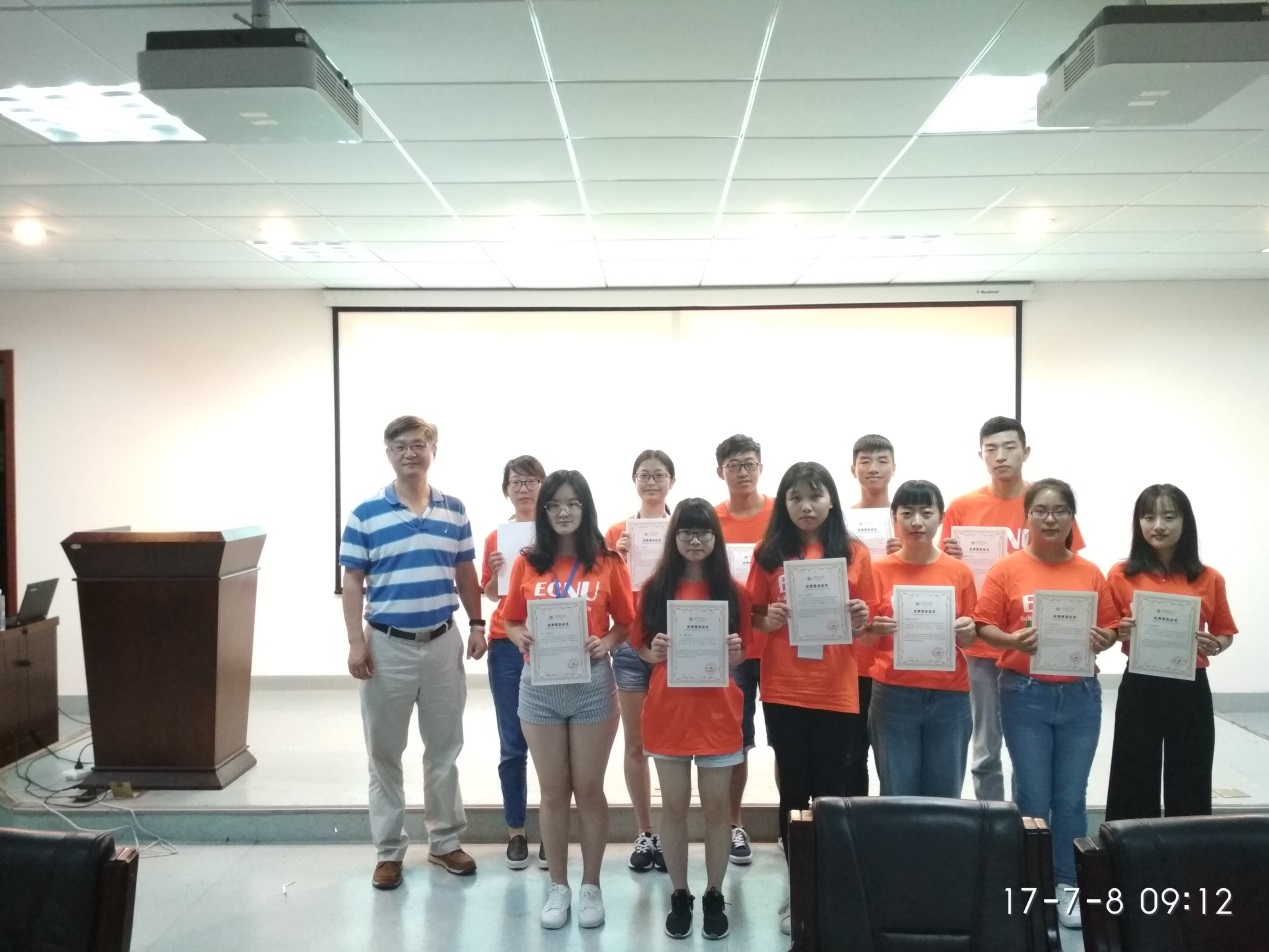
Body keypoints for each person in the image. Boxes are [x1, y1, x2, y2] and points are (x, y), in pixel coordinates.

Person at [339, 415, 487, 891]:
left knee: (444, 748)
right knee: (384, 753)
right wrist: (356, 641)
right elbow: (352, 581)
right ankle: (388, 851)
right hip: (386, 646)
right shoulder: (365, 514)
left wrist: (478, 623)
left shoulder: (454, 510)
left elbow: (466, 573)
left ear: (432, 451)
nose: (410, 453)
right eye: (400, 446)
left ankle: (444, 842)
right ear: (388, 454)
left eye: (418, 444)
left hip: (443, 642)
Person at [973, 478, 1118, 931]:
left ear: (1072, 518)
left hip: (1080, 697)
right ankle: (1033, 881)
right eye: (1040, 511)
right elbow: (982, 624)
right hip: (1025, 693)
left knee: (1071, 797)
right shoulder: (1007, 569)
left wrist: (1105, 637)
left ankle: (1068, 882)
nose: (1050, 519)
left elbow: (1112, 627)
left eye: (1060, 511)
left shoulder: (1090, 572)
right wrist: (1012, 640)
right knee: (1032, 795)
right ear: (1027, 518)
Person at [503, 470, 634, 930]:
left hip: (592, 686)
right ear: (544, 511)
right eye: (554, 504)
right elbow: (510, 620)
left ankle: (591, 884)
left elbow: (626, 622)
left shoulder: (607, 561)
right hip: (539, 688)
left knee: (590, 789)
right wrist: (520, 636)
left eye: (572, 503)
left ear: (585, 508)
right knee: (554, 791)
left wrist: (607, 642)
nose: (563, 512)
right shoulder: (528, 562)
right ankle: (558, 886)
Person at [748, 461, 876, 934]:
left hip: (836, 687)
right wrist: (768, 620)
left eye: (815, 496)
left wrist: (860, 617)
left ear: (831, 500)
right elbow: (752, 615)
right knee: (794, 786)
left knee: (831, 786)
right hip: (783, 686)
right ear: (783, 503)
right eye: (796, 497)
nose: (806, 506)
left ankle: (831, 883)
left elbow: (866, 627)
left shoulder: (854, 552)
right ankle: (799, 885)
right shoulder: (768, 553)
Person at [942, 416, 1086, 802]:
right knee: (986, 747)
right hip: (983, 643)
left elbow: (1071, 565)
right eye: (991, 449)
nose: (1000, 456)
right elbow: (946, 572)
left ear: (1026, 451)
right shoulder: (961, 507)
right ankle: (991, 820)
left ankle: (1028, 823)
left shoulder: (1046, 504)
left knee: (1029, 750)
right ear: (981, 456)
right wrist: (948, 555)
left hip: (1038, 645)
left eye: (1009, 447)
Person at [634, 498, 750, 940]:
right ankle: (679, 893)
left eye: (703, 532)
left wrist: (735, 653)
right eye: (686, 532)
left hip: (718, 714)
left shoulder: (733, 592)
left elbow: (743, 652)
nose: (695, 540)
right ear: (674, 536)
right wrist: (654, 651)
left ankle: (714, 893)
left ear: (716, 538)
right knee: (674, 807)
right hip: (670, 713)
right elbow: (641, 648)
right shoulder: (655, 588)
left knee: (718, 809)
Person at [1104, 484, 1237, 821]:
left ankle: (1187, 851)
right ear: (1138, 522)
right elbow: (1108, 627)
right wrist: (1119, 630)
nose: (1158, 525)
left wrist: (1216, 644)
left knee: (1191, 774)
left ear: (1185, 522)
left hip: (1190, 684)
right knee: (1132, 772)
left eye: (1169, 517)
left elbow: (1224, 632)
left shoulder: (1209, 578)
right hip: (1140, 683)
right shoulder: (1121, 574)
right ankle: (1130, 848)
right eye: (1148, 517)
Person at [866, 480, 977, 797]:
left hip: (950, 697)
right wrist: (873, 628)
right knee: (897, 793)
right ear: (894, 518)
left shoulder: (960, 572)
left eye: (926, 513)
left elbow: (970, 640)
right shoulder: (877, 571)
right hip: (893, 695)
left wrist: (968, 630)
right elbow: (863, 641)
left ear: (941, 517)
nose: (917, 522)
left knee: (945, 796)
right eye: (907, 513)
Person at [604, 449, 676, 873]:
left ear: (672, 481)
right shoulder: (617, 532)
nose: (651, 482)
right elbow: (605, 589)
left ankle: (670, 833)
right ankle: (645, 831)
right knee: (636, 743)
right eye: (644, 475)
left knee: (670, 744)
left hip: (674, 643)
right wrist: (616, 557)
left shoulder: (682, 528)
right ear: (634, 481)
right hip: (631, 645)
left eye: (659, 475)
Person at [479, 455, 546, 869]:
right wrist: (493, 574)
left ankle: (552, 832)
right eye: (516, 482)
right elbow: (491, 594)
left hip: (550, 642)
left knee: (552, 742)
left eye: (531, 481)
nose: (523, 489)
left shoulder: (558, 534)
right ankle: (516, 831)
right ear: (506, 490)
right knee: (512, 741)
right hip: (506, 644)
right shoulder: (496, 538)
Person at [712, 433, 775, 866]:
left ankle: (794, 822)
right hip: (732, 648)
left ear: (760, 467)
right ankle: (735, 824)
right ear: (721, 472)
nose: (742, 472)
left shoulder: (780, 514)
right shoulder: (711, 520)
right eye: (734, 465)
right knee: (736, 741)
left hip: (780, 646)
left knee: (786, 740)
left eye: (749, 463)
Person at [845, 433, 900, 796]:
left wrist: (905, 552)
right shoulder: (841, 523)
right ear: (853, 469)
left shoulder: (910, 521)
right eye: (865, 461)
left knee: (893, 757)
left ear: (894, 467)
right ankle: (855, 822)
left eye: (882, 460)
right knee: (852, 755)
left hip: (896, 657)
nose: (873, 468)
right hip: (853, 657)